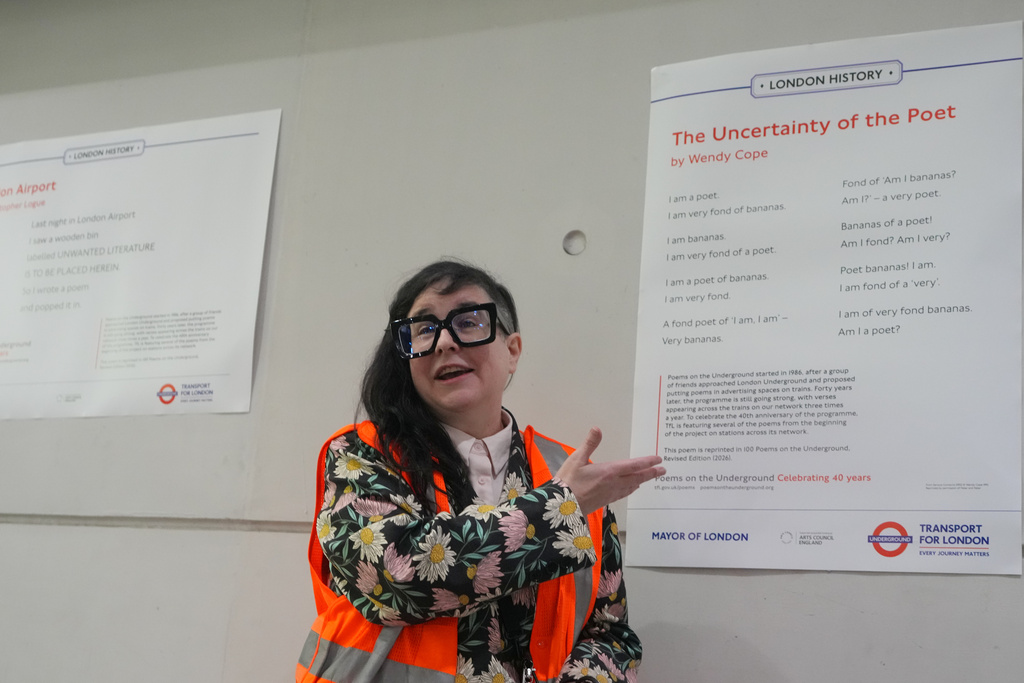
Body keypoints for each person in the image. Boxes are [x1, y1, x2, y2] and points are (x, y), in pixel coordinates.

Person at [296, 260, 664, 683]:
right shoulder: (362, 453)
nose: (445, 342)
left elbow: (609, 631)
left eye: (469, 321)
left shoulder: (569, 471)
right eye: (424, 329)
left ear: (512, 352)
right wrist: (560, 510)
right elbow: (394, 579)